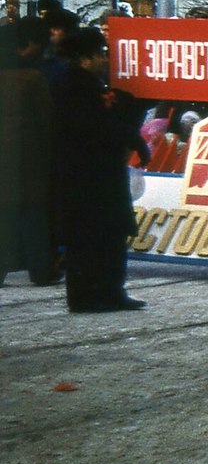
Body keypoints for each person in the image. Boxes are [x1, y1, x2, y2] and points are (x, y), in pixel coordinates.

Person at [53, 30, 148, 312]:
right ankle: (89, 295)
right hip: (86, 174)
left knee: (108, 233)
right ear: (84, 58)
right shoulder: (73, 87)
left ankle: (109, 291)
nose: (104, 59)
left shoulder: (86, 84)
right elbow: (93, 127)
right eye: (99, 54)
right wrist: (130, 136)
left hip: (96, 172)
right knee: (90, 236)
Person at [1, 17, 58, 287]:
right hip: (27, 158)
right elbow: (46, 122)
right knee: (34, 215)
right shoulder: (32, 78)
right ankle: (41, 270)